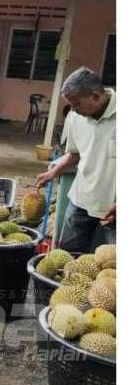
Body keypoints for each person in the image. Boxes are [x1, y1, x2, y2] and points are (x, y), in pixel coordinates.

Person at [35, 67, 116, 252]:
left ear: (95, 96)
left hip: (115, 206)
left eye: (77, 104)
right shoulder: (75, 118)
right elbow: (74, 154)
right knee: (66, 256)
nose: (73, 110)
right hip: (81, 200)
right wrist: (53, 172)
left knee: (114, 267)